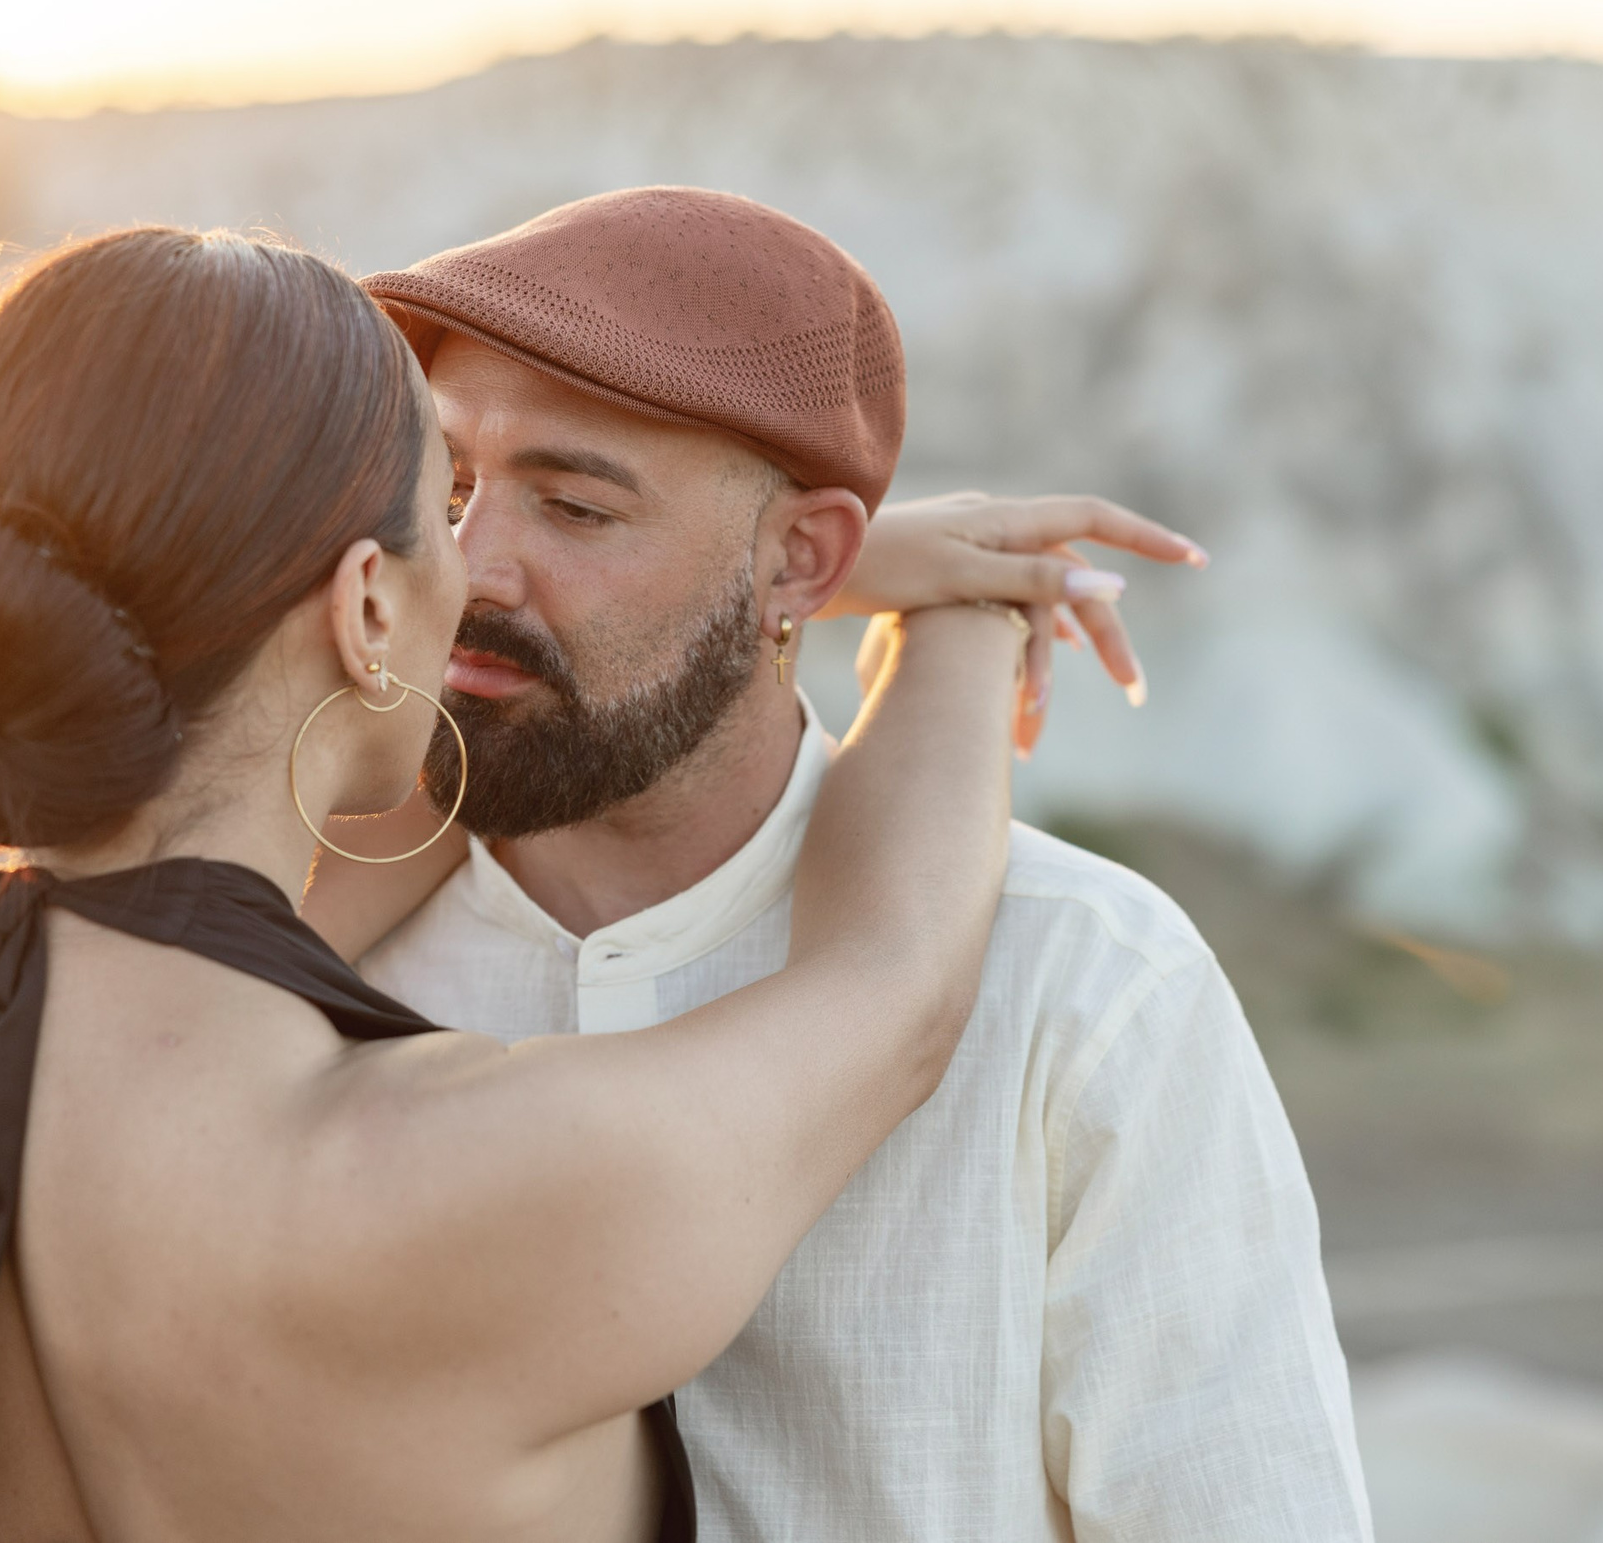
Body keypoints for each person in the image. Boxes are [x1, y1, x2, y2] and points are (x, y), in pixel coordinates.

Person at [0, 224, 1106, 1542]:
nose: (481, 574)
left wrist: (757, 585)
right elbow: (896, 986)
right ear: (366, 605)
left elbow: (160, 908)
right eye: (452, 505)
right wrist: (965, 617)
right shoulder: (495, 1184)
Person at [347, 187, 1375, 1541]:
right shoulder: (302, 960)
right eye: (451, 487)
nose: (473, 568)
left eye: (577, 508)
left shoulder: (1082, 988)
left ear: (805, 564)